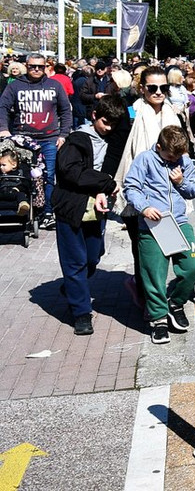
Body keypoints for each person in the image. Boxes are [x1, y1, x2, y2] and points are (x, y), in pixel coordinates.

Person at [122, 126, 195, 346]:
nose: (175, 159)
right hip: (152, 223)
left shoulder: (183, 161)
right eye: (170, 156)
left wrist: (181, 182)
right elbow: (131, 187)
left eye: (179, 156)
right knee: (154, 274)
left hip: (179, 221)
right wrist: (144, 207)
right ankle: (158, 319)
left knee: (193, 267)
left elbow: (194, 190)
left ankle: (175, 302)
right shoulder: (146, 159)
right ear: (159, 147)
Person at [53, 96, 126, 336]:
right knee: (75, 262)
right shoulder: (77, 141)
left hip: (95, 210)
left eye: (113, 124)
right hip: (71, 208)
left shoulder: (111, 138)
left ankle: (74, 289)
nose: (109, 128)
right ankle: (81, 313)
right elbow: (71, 172)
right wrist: (106, 182)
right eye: (106, 122)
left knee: (93, 257)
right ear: (94, 116)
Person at [0, 51, 72, 228]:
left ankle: (47, 212)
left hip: (49, 139)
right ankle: (25, 208)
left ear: (46, 67)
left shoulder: (54, 85)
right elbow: (3, 106)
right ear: (27, 66)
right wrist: (3, 130)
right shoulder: (15, 86)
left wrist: (63, 135)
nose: (37, 70)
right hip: (22, 140)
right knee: (23, 175)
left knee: (48, 176)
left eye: (41, 66)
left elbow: (65, 111)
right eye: (33, 66)